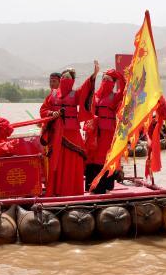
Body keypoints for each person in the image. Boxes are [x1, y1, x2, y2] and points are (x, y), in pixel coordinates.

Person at [45, 63, 99, 196]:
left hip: (72, 132)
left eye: (68, 78)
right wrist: (51, 113)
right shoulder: (53, 94)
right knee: (56, 162)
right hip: (56, 133)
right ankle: (56, 190)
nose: (65, 79)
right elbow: (44, 109)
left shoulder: (75, 94)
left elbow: (86, 89)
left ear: (73, 81)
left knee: (73, 162)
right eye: (63, 77)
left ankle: (72, 191)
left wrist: (93, 76)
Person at [86, 68, 126, 194]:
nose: (104, 81)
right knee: (92, 157)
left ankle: (105, 185)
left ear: (113, 83)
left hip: (108, 131)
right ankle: (91, 185)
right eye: (103, 79)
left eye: (108, 80)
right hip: (93, 131)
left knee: (104, 158)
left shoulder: (115, 96)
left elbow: (124, 89)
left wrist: (118, 75)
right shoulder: (95, 96)